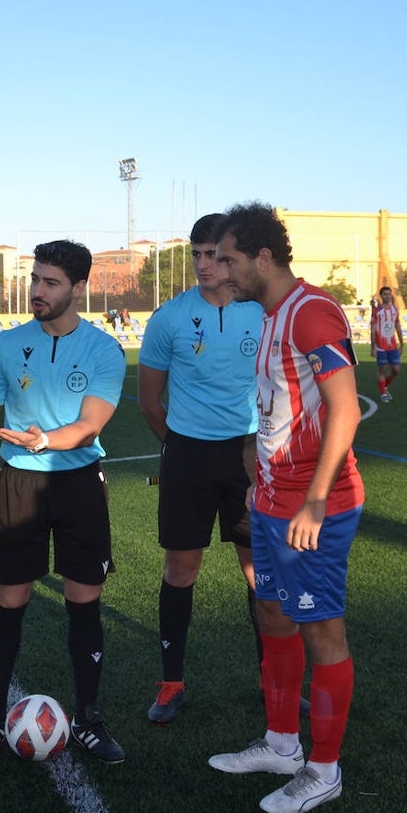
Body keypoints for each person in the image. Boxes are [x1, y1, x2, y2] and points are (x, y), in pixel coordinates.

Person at [209, 202, 364, 813]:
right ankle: (281, 743)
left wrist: (316, 503)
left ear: (263, 258)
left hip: (312, 508)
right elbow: (281, 409)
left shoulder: (312, 313)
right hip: (274, 500)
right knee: (273, 615)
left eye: (229, 260)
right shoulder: (271, 315)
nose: (220, 271)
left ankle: (323, 772)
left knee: (321, 630)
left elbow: (345, 409)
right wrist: (260, 478)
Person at [0, 240, 128, 767]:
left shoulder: (104, 351)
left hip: (79, 484)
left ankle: (88, 718)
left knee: (83, 601)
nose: (38, 290)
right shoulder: (7, 347)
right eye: (36, 279)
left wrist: (42, 441)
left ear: (78, 288)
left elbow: (88, 427)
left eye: (51, 282)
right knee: (9, 602)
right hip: (19, 485)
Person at [138, 214, 271, 725]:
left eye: (213, 254)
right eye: (195, 254)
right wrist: (178, 447)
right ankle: (171, 684)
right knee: (181, 570)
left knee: (258, 571)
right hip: (188, 454)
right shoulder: (168, 318)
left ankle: (271, 680)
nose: (203, 264)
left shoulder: (258, 314)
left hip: (246, 456)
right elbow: (149, 401)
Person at [370, 287, 404, 403]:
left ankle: (384, 386)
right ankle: (383, 394)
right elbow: (373, 329)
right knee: (382, 370)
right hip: (380, 346)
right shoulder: (377, 311)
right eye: (385, 294)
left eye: (389, 294)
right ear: (381, 296)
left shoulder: (394, 309)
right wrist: (373, 347)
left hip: (393, 346)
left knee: (396, 369)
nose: (387, 296)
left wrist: (402, 343)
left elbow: (398, 326)